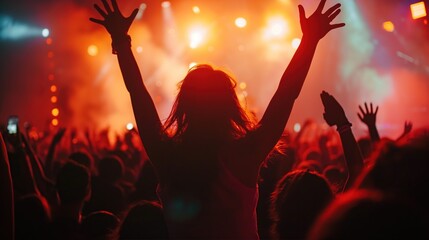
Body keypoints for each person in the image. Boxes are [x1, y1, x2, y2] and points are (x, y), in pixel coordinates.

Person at [90, 0, 345, 238]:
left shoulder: (167, 156)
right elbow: (287, 93)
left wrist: (122, 43)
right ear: (230, 106)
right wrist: (309, 41)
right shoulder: (246, 153)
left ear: (184, 107)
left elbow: (138, 94)